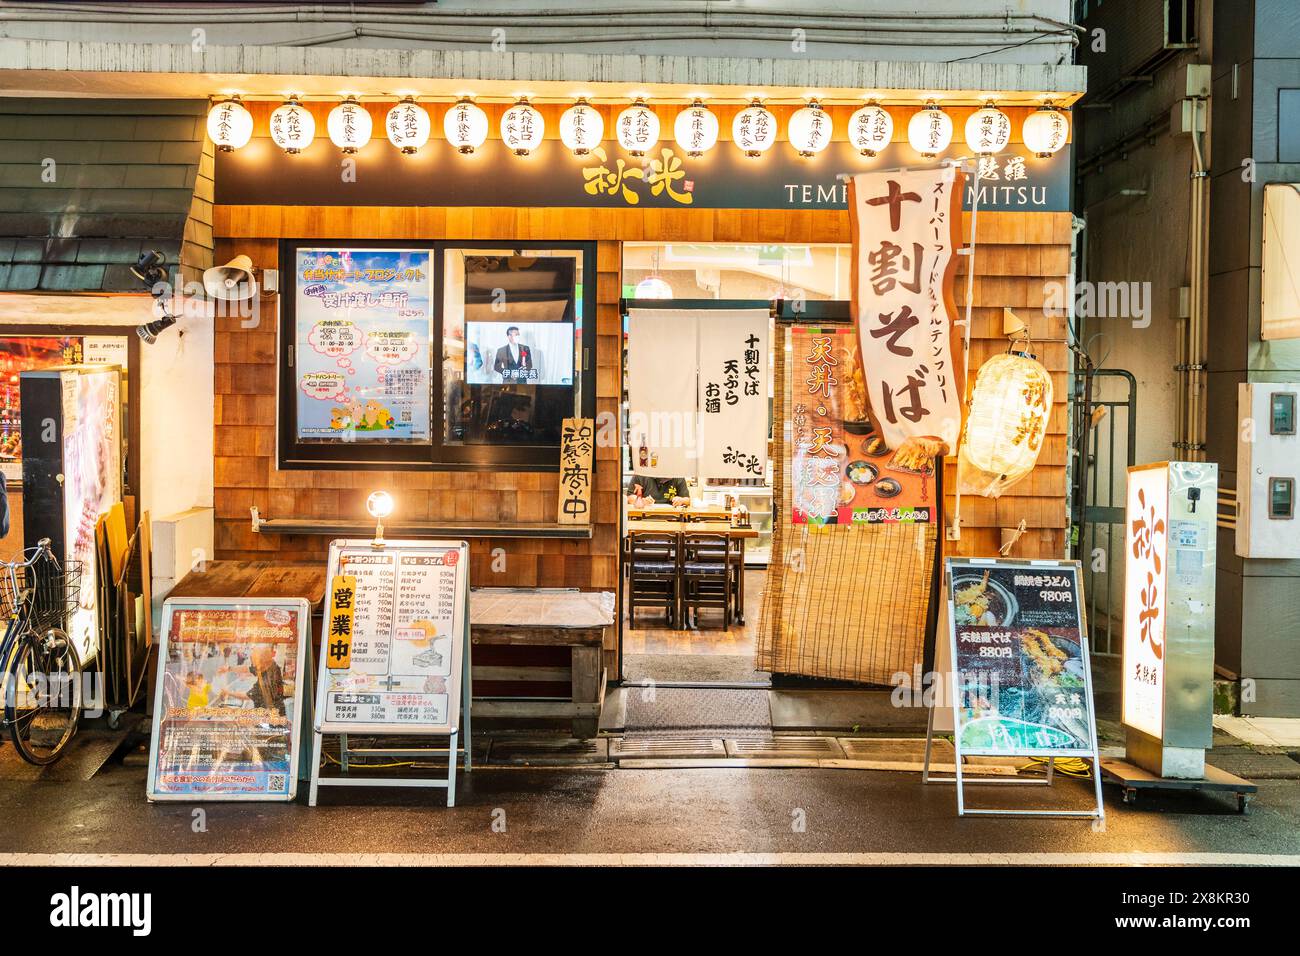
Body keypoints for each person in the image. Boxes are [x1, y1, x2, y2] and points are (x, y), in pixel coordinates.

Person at [626, 474, 690, 506]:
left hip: (671, 517)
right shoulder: (641, 474)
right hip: (645, 516)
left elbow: (687, 500)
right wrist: (642, 501)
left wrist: (681, 500)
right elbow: (629, 498)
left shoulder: (678, 476)